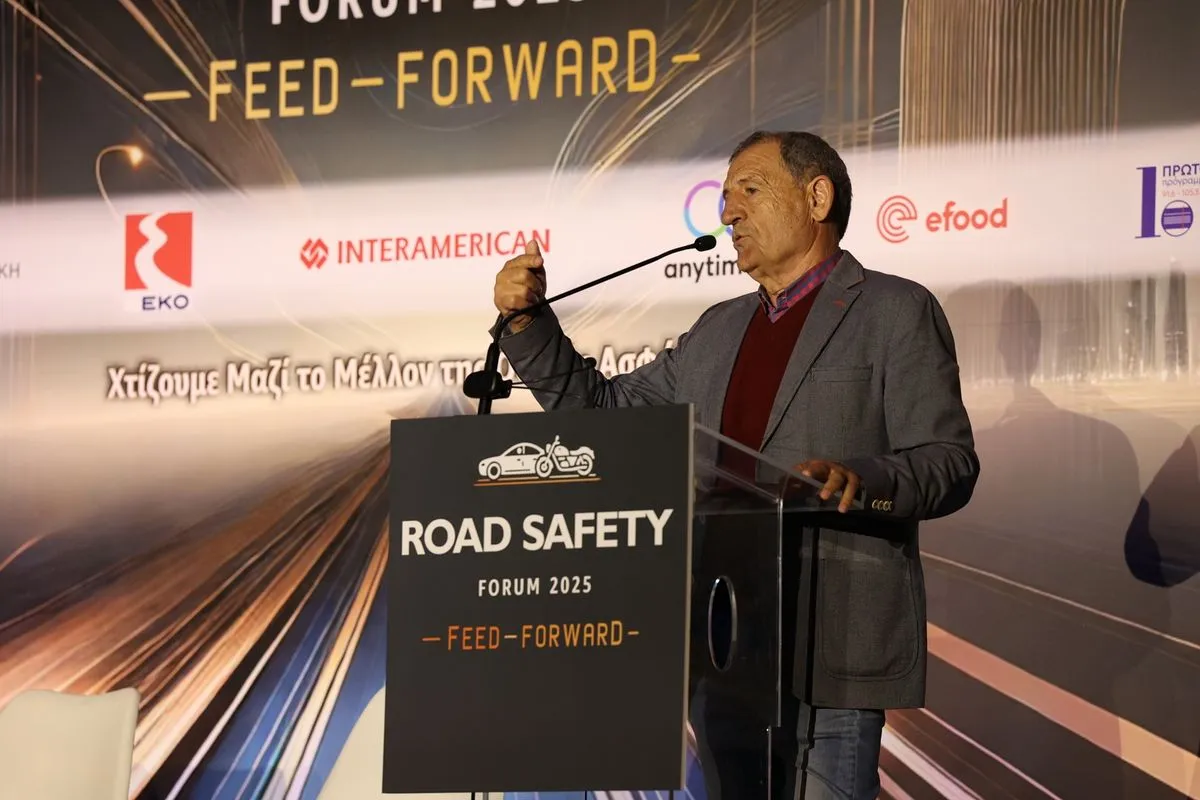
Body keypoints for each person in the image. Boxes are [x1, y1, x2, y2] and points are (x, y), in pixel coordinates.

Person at [490, 130, 980, 800]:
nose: (727, 213)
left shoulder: (894, 310)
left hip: (828, 644)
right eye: (724, 197)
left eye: (749, 190)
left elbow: (949, 461)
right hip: (722, 641)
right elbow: (602, 410)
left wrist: (862, 481)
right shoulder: (716, 331)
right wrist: (528, 324)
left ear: (817, 198)